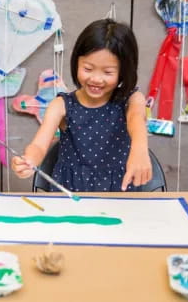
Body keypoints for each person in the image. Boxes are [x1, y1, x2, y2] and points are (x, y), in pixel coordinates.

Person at [11, 19, 152, 192]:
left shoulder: (132, 99)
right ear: (76, 62)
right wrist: (29, 160)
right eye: (88, 68)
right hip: (70, 192)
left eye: (108, 72)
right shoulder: (61, 105)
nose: (96, 79)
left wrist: (140, 149)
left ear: (124, 71)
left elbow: (136, 119)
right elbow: (39, 145)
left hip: (119, 191)